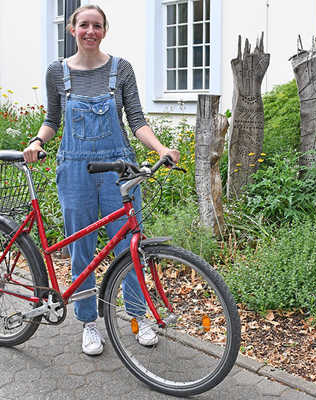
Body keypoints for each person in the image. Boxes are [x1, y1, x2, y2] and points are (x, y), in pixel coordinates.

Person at [23, 4, 180, 356]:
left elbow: (137, 120)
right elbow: (52, 119)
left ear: (104, 30)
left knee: (131, 247)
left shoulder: (121, 69)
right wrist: (37, 141)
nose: (90, 31)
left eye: (97, 26)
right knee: (82, 248)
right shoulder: (57, 72)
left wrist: (160, 148)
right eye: (84, 25)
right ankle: (89, 323)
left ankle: (139, 318)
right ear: (72, 30)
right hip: (75, 170)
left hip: (119, 170)